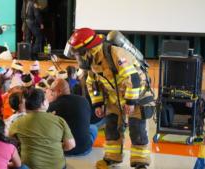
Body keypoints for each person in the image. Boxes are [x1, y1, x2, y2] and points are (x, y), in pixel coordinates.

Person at [66, 28, 155, 169]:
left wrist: (131, 102)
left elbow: (133, 78)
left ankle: (141, 163)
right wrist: (98, 104)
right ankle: (112, 158)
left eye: (79, 55)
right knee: (112, 128)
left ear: (89, 49)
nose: (79, 59)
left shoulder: (115, 53)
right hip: (114, 98)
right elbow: (92, 83)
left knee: (136, 129)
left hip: (137, 96)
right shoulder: (93, 60)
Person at [9, 88, 75, 169]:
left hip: (30, 166)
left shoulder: (16, 123)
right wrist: (55, 146)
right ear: (43, 103)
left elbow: (10, 143)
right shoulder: (59, 120)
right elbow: (71, 145)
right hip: (58, 166)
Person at [47, 78, 97, 156]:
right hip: (85, 149)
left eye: (53, 91)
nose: (51, 93)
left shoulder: (53, 105)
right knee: (93, 127)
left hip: (64, 150)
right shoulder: (83, 100)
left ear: (59, 91)